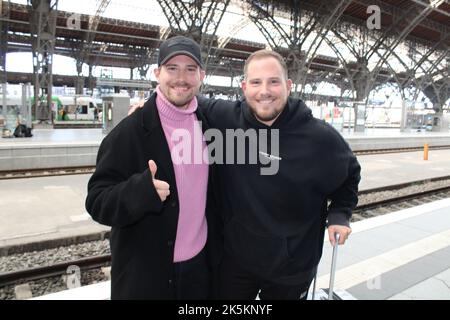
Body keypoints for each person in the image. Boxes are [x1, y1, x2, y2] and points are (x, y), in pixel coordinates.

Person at [129, 49, 361, 300]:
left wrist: (340, 214)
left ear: (288, 85)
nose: (264, 91)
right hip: (235, 264)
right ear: (244, 87)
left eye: (274, 81)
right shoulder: (225, 118)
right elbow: (188, 101)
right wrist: (152, 105)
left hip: (293, 267)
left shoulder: (320, 138)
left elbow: (349, 174)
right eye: (256, 82)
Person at [85, 36, 222, 299]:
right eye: (172, 68)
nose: (181, 78)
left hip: (199, 272)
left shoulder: (209, 127)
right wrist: (140, 192)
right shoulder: (129, 132)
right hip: (147, 275)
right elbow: (97, 201)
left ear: (201, 76)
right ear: (157, 73)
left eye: (190, 69)